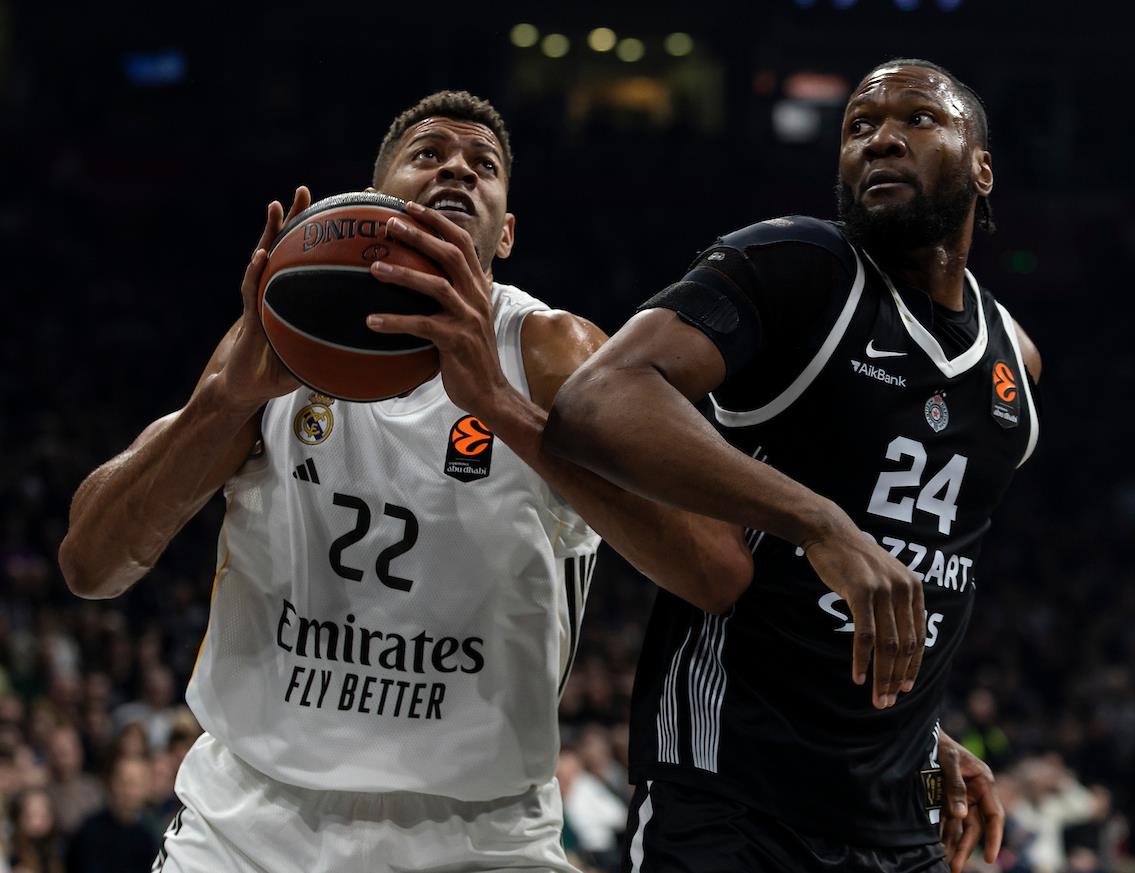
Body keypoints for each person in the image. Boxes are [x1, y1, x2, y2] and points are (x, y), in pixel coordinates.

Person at [57, 91, 753, 872]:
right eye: (428, 154)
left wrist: (498, 403)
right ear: (374, 203)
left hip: (478, 835)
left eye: (483, 165)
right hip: (250, 824)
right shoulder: (289, 335)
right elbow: (91, 564)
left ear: (507, 233)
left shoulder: (550, 352)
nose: (457, 166)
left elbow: (714, 568)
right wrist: (222, 402)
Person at [546, 58, 1036, 872]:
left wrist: (924, 731)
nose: (880, 139)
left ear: (982, 167)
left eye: (918, 120)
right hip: (734, 797)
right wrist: (817, 520)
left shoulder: (1015, 363)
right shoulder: (800, 268)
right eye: (858, 126)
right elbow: (597, 400)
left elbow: (920, 568)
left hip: (896, 819)